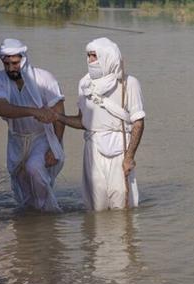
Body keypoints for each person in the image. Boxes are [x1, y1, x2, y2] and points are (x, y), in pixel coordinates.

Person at [54, 37, 145, 211]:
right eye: (88, 56)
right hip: (93, 146)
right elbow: (83, 122)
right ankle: (98, 238)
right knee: (97, 201)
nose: (90, 61)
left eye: (93, 56)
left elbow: (138, 123)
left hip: (121, 146)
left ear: (107, 57)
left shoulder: (128, 83)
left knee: (121, 198)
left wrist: (129, 157)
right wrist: (59, 117)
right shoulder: (85, 84)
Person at [0, 38, 65, 212]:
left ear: (23, 60)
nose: (10, 68)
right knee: (24, 187)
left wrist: (56, 145)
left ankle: (50, 213)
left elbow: (59, 113)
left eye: (14, 63)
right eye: (6, 63)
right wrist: (34, 111)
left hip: (43, 136)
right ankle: (32, 226)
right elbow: (2, 108)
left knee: (34, 168)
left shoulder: (44, 78)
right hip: (17, 140)